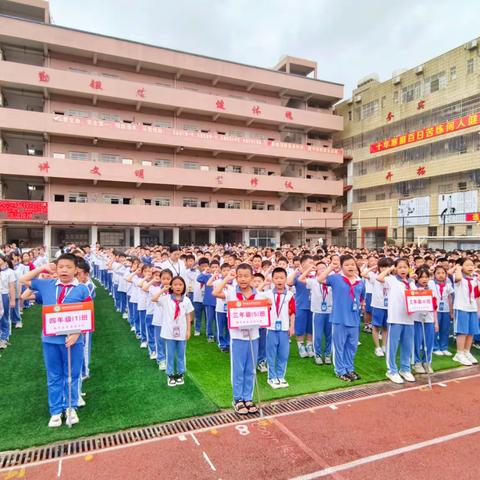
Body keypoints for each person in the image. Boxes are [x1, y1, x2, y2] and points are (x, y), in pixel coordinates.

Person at [19, 254, 92, 427]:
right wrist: (42, 268)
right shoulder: (47, 285)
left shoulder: (82, 289)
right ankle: (56, 411)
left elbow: (88, 315)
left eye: (68, 267)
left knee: (72, 375)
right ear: (56, 269)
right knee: (54, 376)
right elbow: (23, 280)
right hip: (50, 339)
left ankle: (71, 407)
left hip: (73, 341)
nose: (64, 270)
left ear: (76, 270)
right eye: (61, 267)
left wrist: (77, 333)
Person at [213, 264, 260, 415]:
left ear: (252, 277)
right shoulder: (232, 292)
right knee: (238, 369)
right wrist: (227, 277)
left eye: (246, 276)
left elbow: (264, 310)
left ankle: (248, 397)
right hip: (238, 337)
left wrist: (268, 306)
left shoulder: (258, 294)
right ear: (236, 277)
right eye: (240, 276)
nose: (243, 279)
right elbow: (215, 292)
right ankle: (237, 399)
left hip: (254, 336)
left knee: (250, 369)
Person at [317, 255, 365, 382]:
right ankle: (340, 370)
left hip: (354, 319)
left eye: (353, 264)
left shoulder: (360, 282)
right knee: (339, 346)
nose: (350, 267)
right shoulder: (336, 278)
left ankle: (349, 368)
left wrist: (362, 306)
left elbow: (362, 299)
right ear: (342, 267)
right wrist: (331, 267)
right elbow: (320, 279)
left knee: (351, 346)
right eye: (347, 265)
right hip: (339, 319)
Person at [377, 258, 416, 384]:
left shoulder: (411, 282)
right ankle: (391, 370)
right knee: (392, 346)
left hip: (409, 319)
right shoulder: (391, 280)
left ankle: (405, 369)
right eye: (399, 267)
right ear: (395, 269)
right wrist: (390, 269)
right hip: (395, 318)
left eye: (405, 267)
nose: (403, 270)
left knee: (407, 345)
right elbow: (379, 278)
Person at [262, 267, 295, 388]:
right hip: (270, 329)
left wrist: (292, 327)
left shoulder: (290, 295)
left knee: (283, 354)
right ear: (272, 280)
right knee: (271, 353)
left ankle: (281, 376)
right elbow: (256, 293)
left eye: (282, 278)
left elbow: (292, 312)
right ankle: (271, 377)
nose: (279, 280)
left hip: (284, 329)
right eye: (276, 278)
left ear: (286, 279)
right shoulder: (268, 294)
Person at [159, 276, 193, 386]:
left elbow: (188, 316)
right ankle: (170, 374)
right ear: (171, 286)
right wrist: (163, 290)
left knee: (181, 353)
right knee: (170, 353)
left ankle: (180, 373)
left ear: (184, 287)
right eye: (175, 284)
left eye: (180, 284)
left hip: (182, 331)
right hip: (169, 332)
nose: (178, 287)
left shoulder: (186, 300)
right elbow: (154, 299)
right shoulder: (166, 298)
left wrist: (188, 330)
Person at [298, 262, 333, 365]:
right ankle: (317, 354)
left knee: (329, 335)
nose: (322, 269)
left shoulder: (332, 282)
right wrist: (309, 269)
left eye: (324, 268)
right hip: (318, 311)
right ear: (316, 271)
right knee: (317, 335)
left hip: (330, 311)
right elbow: (300, 279)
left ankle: (327, 354)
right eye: (320, 268)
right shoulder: (313, 281)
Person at [452, 258, 479, 366]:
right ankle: (459, 353)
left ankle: (466, 351)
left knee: (471, 331)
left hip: (472, 307)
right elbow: (458, 277)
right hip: (461, 307)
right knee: (462, 331)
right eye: (467, 265)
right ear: (461, 266)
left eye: (472, 265)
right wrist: (458, 268)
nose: (470, 267)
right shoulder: (458, 277)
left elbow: (477, 294)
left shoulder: (474, 279)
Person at [287, 255, 315, 359]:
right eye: (310, 262)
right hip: (301, 305)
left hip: (313, 306)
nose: (312, 263)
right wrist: (296, 271)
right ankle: (301, 346)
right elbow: (288, 282)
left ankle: (309, 345)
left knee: (310, 327)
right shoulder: (298, 275)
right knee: (300, 327)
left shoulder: (315, 275)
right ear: (303, 264)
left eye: (313, 262)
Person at [412, 267, 439, 374]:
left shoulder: (432, 290)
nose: (424, 279)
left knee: (429, 342)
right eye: (421, 277)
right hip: (416, 319)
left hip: (429, 320)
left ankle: (427, 362)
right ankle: (417, 362)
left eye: (426, 277)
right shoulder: (413, 288)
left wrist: (436, 322)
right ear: (417, 278)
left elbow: (434, 307)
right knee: (417, 341)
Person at [367, 257, 394, 357]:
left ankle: (384, 346)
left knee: (385, 327)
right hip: (378, 305)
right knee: (376, 326)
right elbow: (364, 274)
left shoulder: (393, 278)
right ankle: (377, 347)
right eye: (382, 267)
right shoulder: (375, 276)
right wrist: (373, 267)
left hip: (388, 306)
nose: (385, 269)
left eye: (387, 266)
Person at [430, 266, 454, 356]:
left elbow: (450, 298)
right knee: (435, 328)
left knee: (445, 329)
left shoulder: (448, 285)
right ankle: (435, 347)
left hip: (446, 310)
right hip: (435, 310)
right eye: (438, 273)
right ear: (434, 275)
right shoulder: (431, 283)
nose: (441, 275)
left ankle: (444, 347)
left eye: (443, 273)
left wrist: (451, 312)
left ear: (446, 275)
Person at [0, 255, 16, 349]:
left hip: (4, 295)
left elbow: (11, 287)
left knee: (5, 316)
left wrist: (13, 300)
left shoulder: (10, 272)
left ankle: (4, 338)